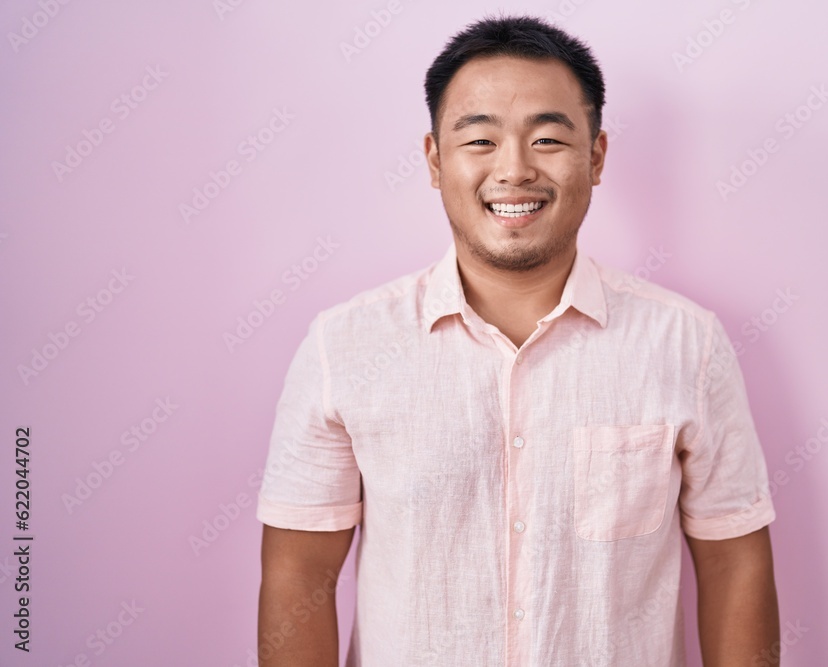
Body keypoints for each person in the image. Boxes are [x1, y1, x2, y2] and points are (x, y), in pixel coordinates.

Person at [256, 13, 779, 667]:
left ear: (596, 156)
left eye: (548, 139)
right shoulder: (345, 347)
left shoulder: (686, 344)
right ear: (434, 159)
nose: (514, 169)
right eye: (480, 140)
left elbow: (733, 563)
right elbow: (299, 572)